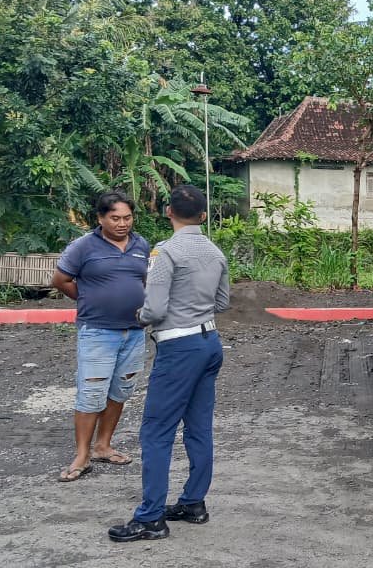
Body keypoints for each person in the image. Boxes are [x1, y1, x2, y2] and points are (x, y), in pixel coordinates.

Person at [108, 184, 230, 543]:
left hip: (179, 348)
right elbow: (222, 302)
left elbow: (156, 309)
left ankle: (150, 518)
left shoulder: (165, 252)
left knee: (156, 432)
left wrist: (141, 315)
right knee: (199, 427)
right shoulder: (216, 252)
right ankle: (193, 503)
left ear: (168, 212)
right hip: (209, 343)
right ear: (203, 215)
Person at [53, 192, 151, 482]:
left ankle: (103, 446)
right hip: (97, 331)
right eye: (115, 218)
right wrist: (89, 299)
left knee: (121, 390)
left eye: (127, 218)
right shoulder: (83, 246)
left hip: (134, 331)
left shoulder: (141, 245)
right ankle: (81, 456)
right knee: (91, 392)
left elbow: (143, 280)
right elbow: (61, 280)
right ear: (100, 218)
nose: (122, 224)